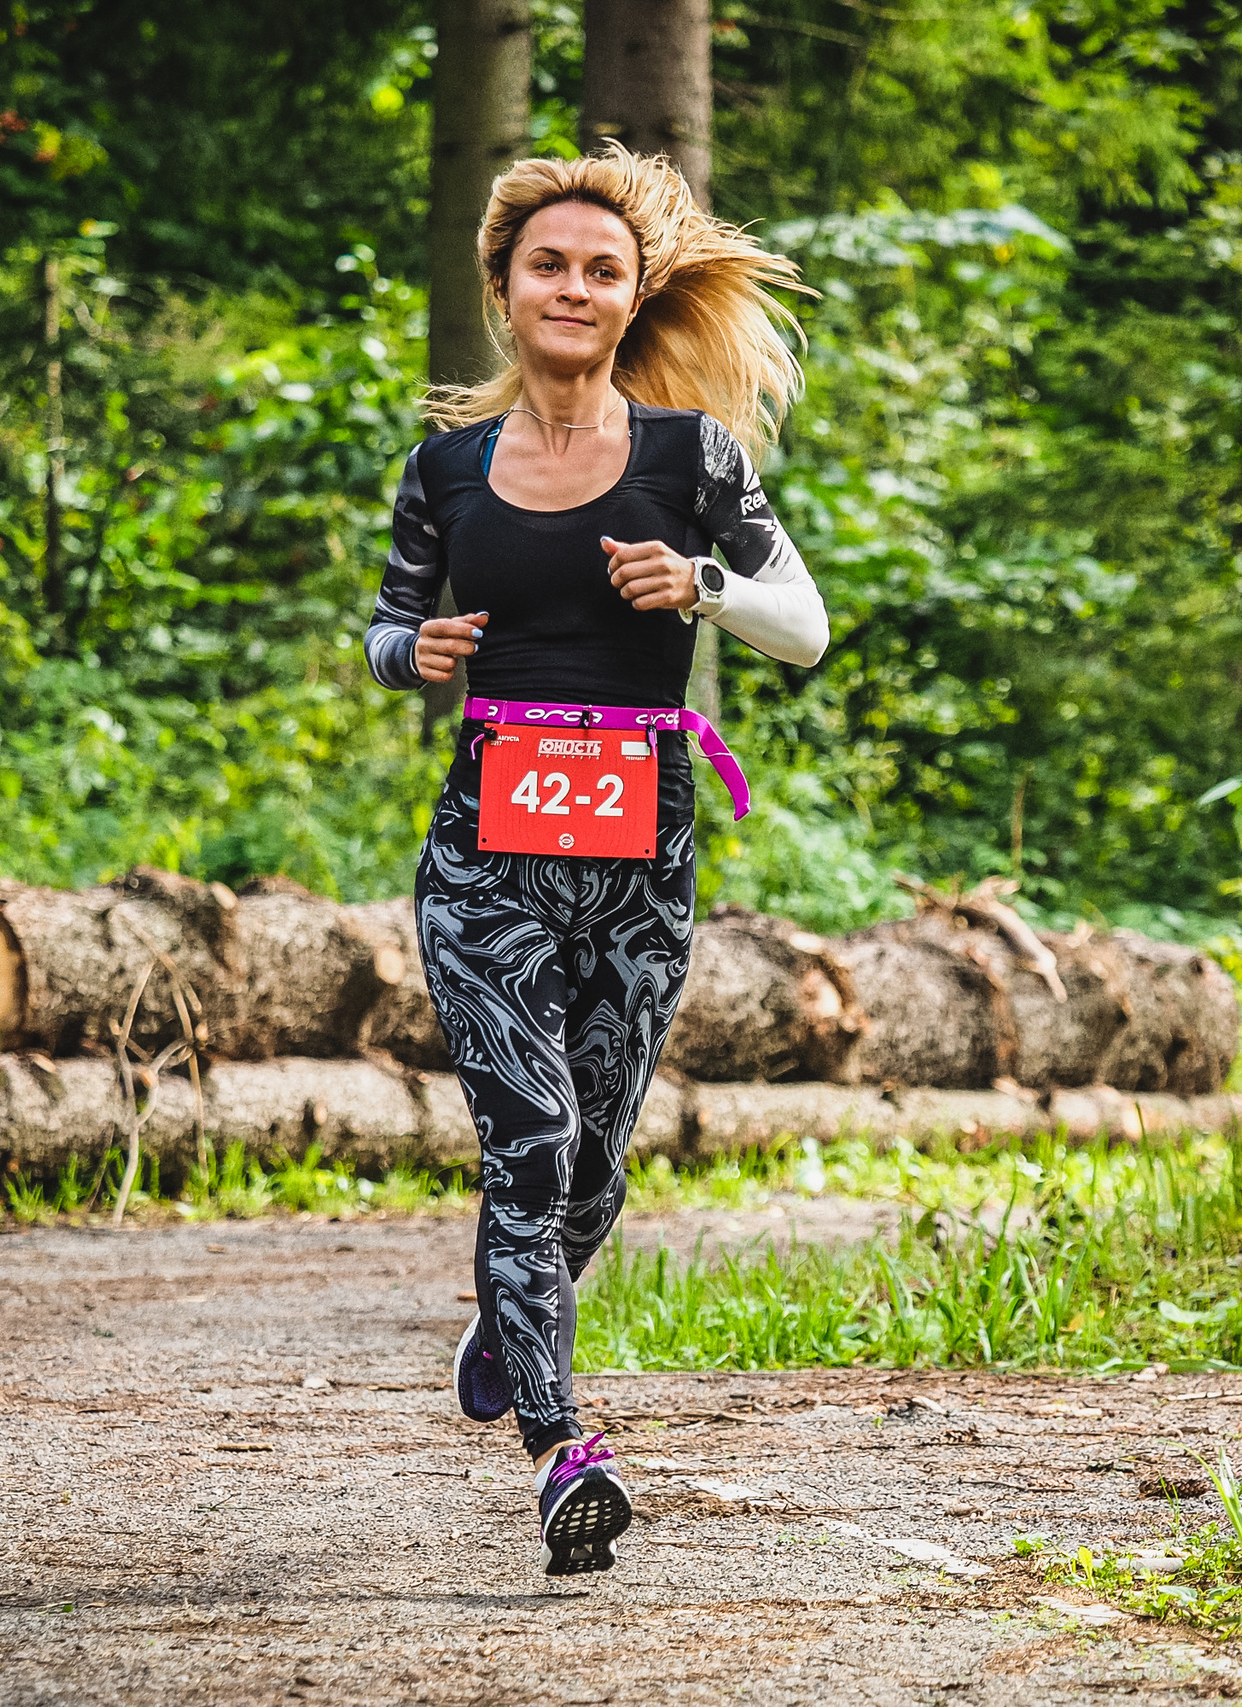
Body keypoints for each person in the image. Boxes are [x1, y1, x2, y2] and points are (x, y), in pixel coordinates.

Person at [363, 146, 827, 1576]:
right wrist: (415, 653)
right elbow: (383, 631)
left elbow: (802, 626)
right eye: (547, 264)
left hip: (640, 854)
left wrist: (701, 585)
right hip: (485, 857)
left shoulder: (697, 465)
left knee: (599, 1170)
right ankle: (567, 1452)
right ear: (504, 288)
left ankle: (512, 1322)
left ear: (634, 299)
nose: (573, 287)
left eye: (600, 269)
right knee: (532, 1145)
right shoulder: (444, 472)